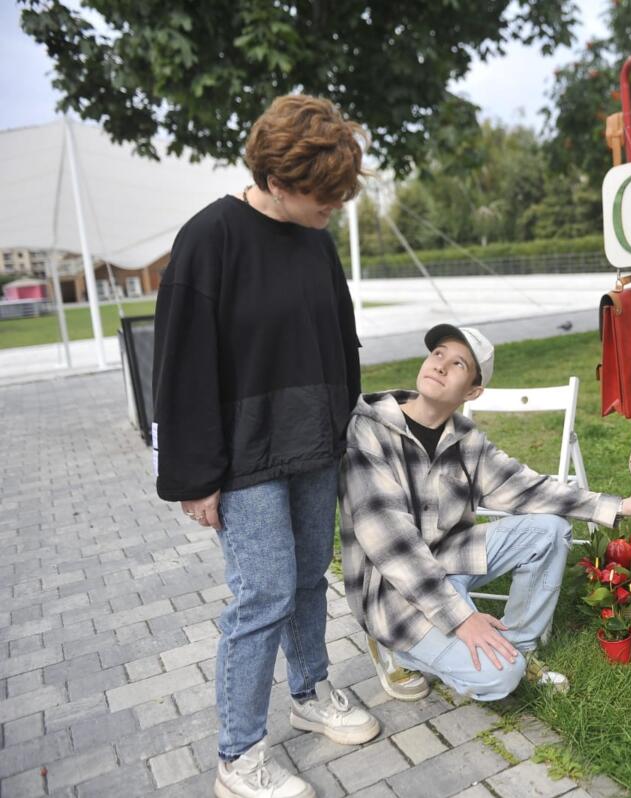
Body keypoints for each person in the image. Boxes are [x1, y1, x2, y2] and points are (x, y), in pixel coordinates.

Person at [153, 94, 378, 798]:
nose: (333, 208)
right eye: (323, 196)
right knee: (265, 595)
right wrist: (194, 476)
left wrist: (349, 423)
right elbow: (180, 365)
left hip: (313, 443)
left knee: (311, 577)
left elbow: (339, 340)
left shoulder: (316, 240)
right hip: (242, 457)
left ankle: (311, 694)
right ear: (279, 182)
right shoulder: (209, 239)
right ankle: (238, 754)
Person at [339, 323, 631, 703]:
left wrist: (618, 505)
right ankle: (398, 649)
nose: (440, 366)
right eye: (438, 353)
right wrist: (462, 618)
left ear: (473, 391)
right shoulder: (368, 429)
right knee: (500, 678)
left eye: (458, 363)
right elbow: (390, 543)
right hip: (394, 590)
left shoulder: (465, 438)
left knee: (550, 529)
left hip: (448, 558)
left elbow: (526, 487)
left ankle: (520, 647)